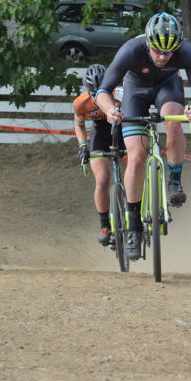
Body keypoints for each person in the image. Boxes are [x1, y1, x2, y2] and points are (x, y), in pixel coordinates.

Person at [94, 12, 191, 261]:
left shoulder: (186, 51)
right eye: (157, 51)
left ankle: (175, 181)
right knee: (135, 157)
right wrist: (110, 110)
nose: (162, 56)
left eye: (168, 53)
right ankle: (133, 228)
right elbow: (103, 91)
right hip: (135, 91)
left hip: (168, 86)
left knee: (174, 122)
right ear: (148, 42)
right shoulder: (130, 50)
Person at [73, 63, 125, 247]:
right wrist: (82, 146)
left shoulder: (121, 95)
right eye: (94, 94)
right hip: (100, 137)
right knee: (102, 181)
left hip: (123, 133)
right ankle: (105, 226)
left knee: (135, 167)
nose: (99, 99)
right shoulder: (81, 103)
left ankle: (136, 211)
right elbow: (79, 125)